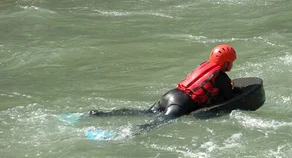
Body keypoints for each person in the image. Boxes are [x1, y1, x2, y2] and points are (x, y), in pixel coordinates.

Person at [87, 44, 238, 133]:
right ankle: (121, 134)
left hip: (172, 94)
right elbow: (229, 98)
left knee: (146, 113)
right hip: (182, 102)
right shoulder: (221, 78)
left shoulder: (204, 66)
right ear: (225, 63)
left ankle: (99, 114)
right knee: (160, 122)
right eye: (230, 62)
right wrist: (231, 87)